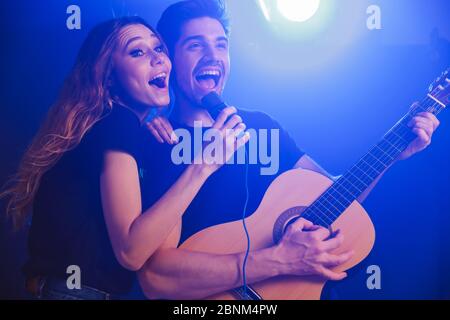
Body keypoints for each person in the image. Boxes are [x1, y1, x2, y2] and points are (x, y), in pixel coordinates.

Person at [137, 0, 440, 300]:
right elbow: (158, 276)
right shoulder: (162, 141)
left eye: (221, 45)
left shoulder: (262, 126)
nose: (212, 56)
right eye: (195, 46)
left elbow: (335, 198)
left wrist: (392, 153)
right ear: (169, 59)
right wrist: (280, 259)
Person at [1, 16, 249, 299]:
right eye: (137, 52)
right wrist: (204, 165)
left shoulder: (116, 124)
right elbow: (131, 252)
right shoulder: (117, 122)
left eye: (158, 48)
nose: (157, 60)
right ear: (109, 75)